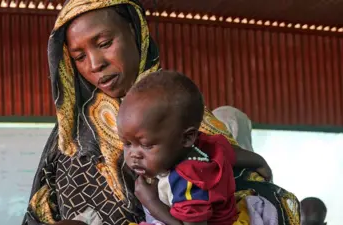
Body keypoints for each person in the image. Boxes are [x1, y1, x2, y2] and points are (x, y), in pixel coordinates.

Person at [22, 0, 298, 224]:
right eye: (79, 57)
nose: (95, 64)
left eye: (105, 43)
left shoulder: (182, 115)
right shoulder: (67, 139)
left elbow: (252, 196)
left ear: (134, 31)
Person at [118, 71, 239, 225]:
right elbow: (233, 153)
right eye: (127, 144)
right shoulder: (202, 145)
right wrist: (260, 162)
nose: (134, 155)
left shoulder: (188, 181)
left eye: (146, 145)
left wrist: (152, 203)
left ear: (187, 138)